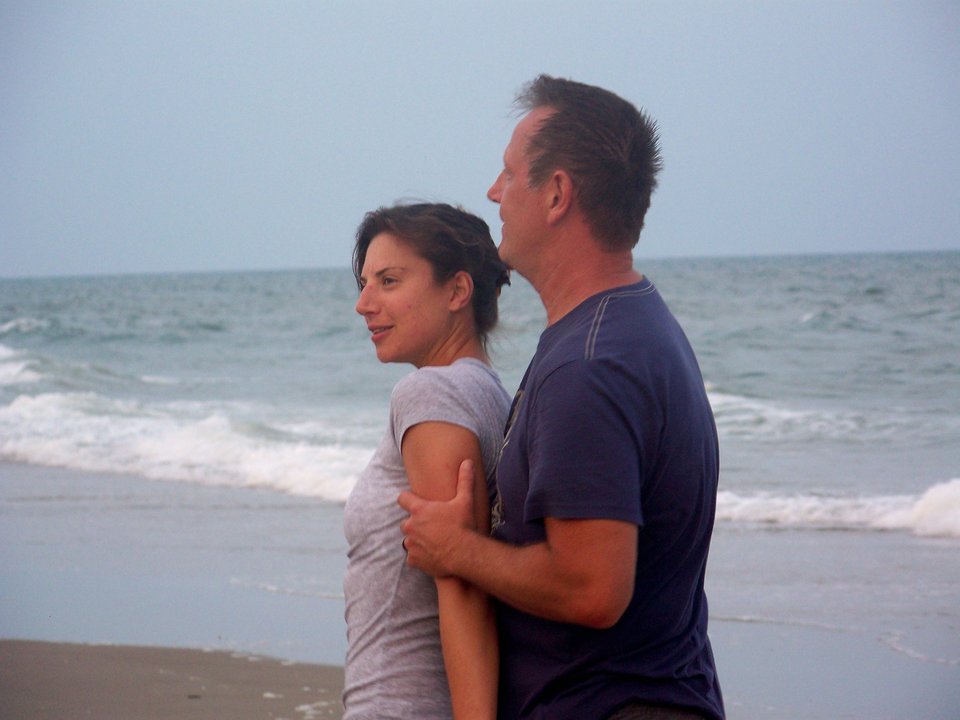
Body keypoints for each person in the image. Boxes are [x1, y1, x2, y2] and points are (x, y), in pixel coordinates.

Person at [398, 76, 725, 720]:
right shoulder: (633, 322)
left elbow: (592, 590)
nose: (493, 192)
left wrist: (457, 550)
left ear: (555, 194)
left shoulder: (590, 365)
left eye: (508, 172)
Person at [343, 203, 512, 719]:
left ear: (457, 291)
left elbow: (460, 582)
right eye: (364, 283)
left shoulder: (431, 393)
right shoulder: (492, 396)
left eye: (389, 281)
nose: (364, 304)